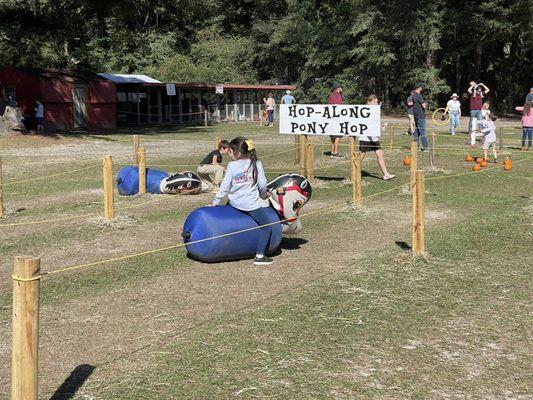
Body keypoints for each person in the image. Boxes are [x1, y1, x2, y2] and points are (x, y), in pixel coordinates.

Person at [211, 137, 273, 266]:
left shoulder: (232, 165)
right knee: (267, 227)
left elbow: (225, 186)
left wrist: (215, 202)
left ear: (237, 152)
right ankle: (260, 256)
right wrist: (263, 195)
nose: (229, 155)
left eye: (230, 152)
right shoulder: (257, 163)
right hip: (250, 205)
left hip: (233, 203)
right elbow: (262, 185)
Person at [359, 95, 395, 180]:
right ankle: (353, 171)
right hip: (365, 138)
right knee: (362, 155)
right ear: (368, 102)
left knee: (380, 154)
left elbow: (375, 124)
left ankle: (385, 174)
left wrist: (381, 126)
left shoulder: (376, 112)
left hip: (374, 138)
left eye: (377, 101)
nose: (376, 103)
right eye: (374, 102)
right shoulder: (364, 112)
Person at [327, 83, 344, 157]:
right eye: (341, 88)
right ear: (338, 88)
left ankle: (332, 152)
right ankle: (335, 152)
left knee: (332, 136)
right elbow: (337, 107)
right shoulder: (338, 96)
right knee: (337, 136)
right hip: (337, 118)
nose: (342, 89)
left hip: (330, 118)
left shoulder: (330, 96)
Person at [412, 83, 429, 150]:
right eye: (421, 87)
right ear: (419, 88)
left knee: (416, 131)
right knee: (422, 132)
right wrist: (426, 104)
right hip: (420, 116)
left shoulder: (413, 95)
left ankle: (415, 146)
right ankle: (425, 147)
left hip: (416, 116)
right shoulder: (419, 96)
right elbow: (424, 106)